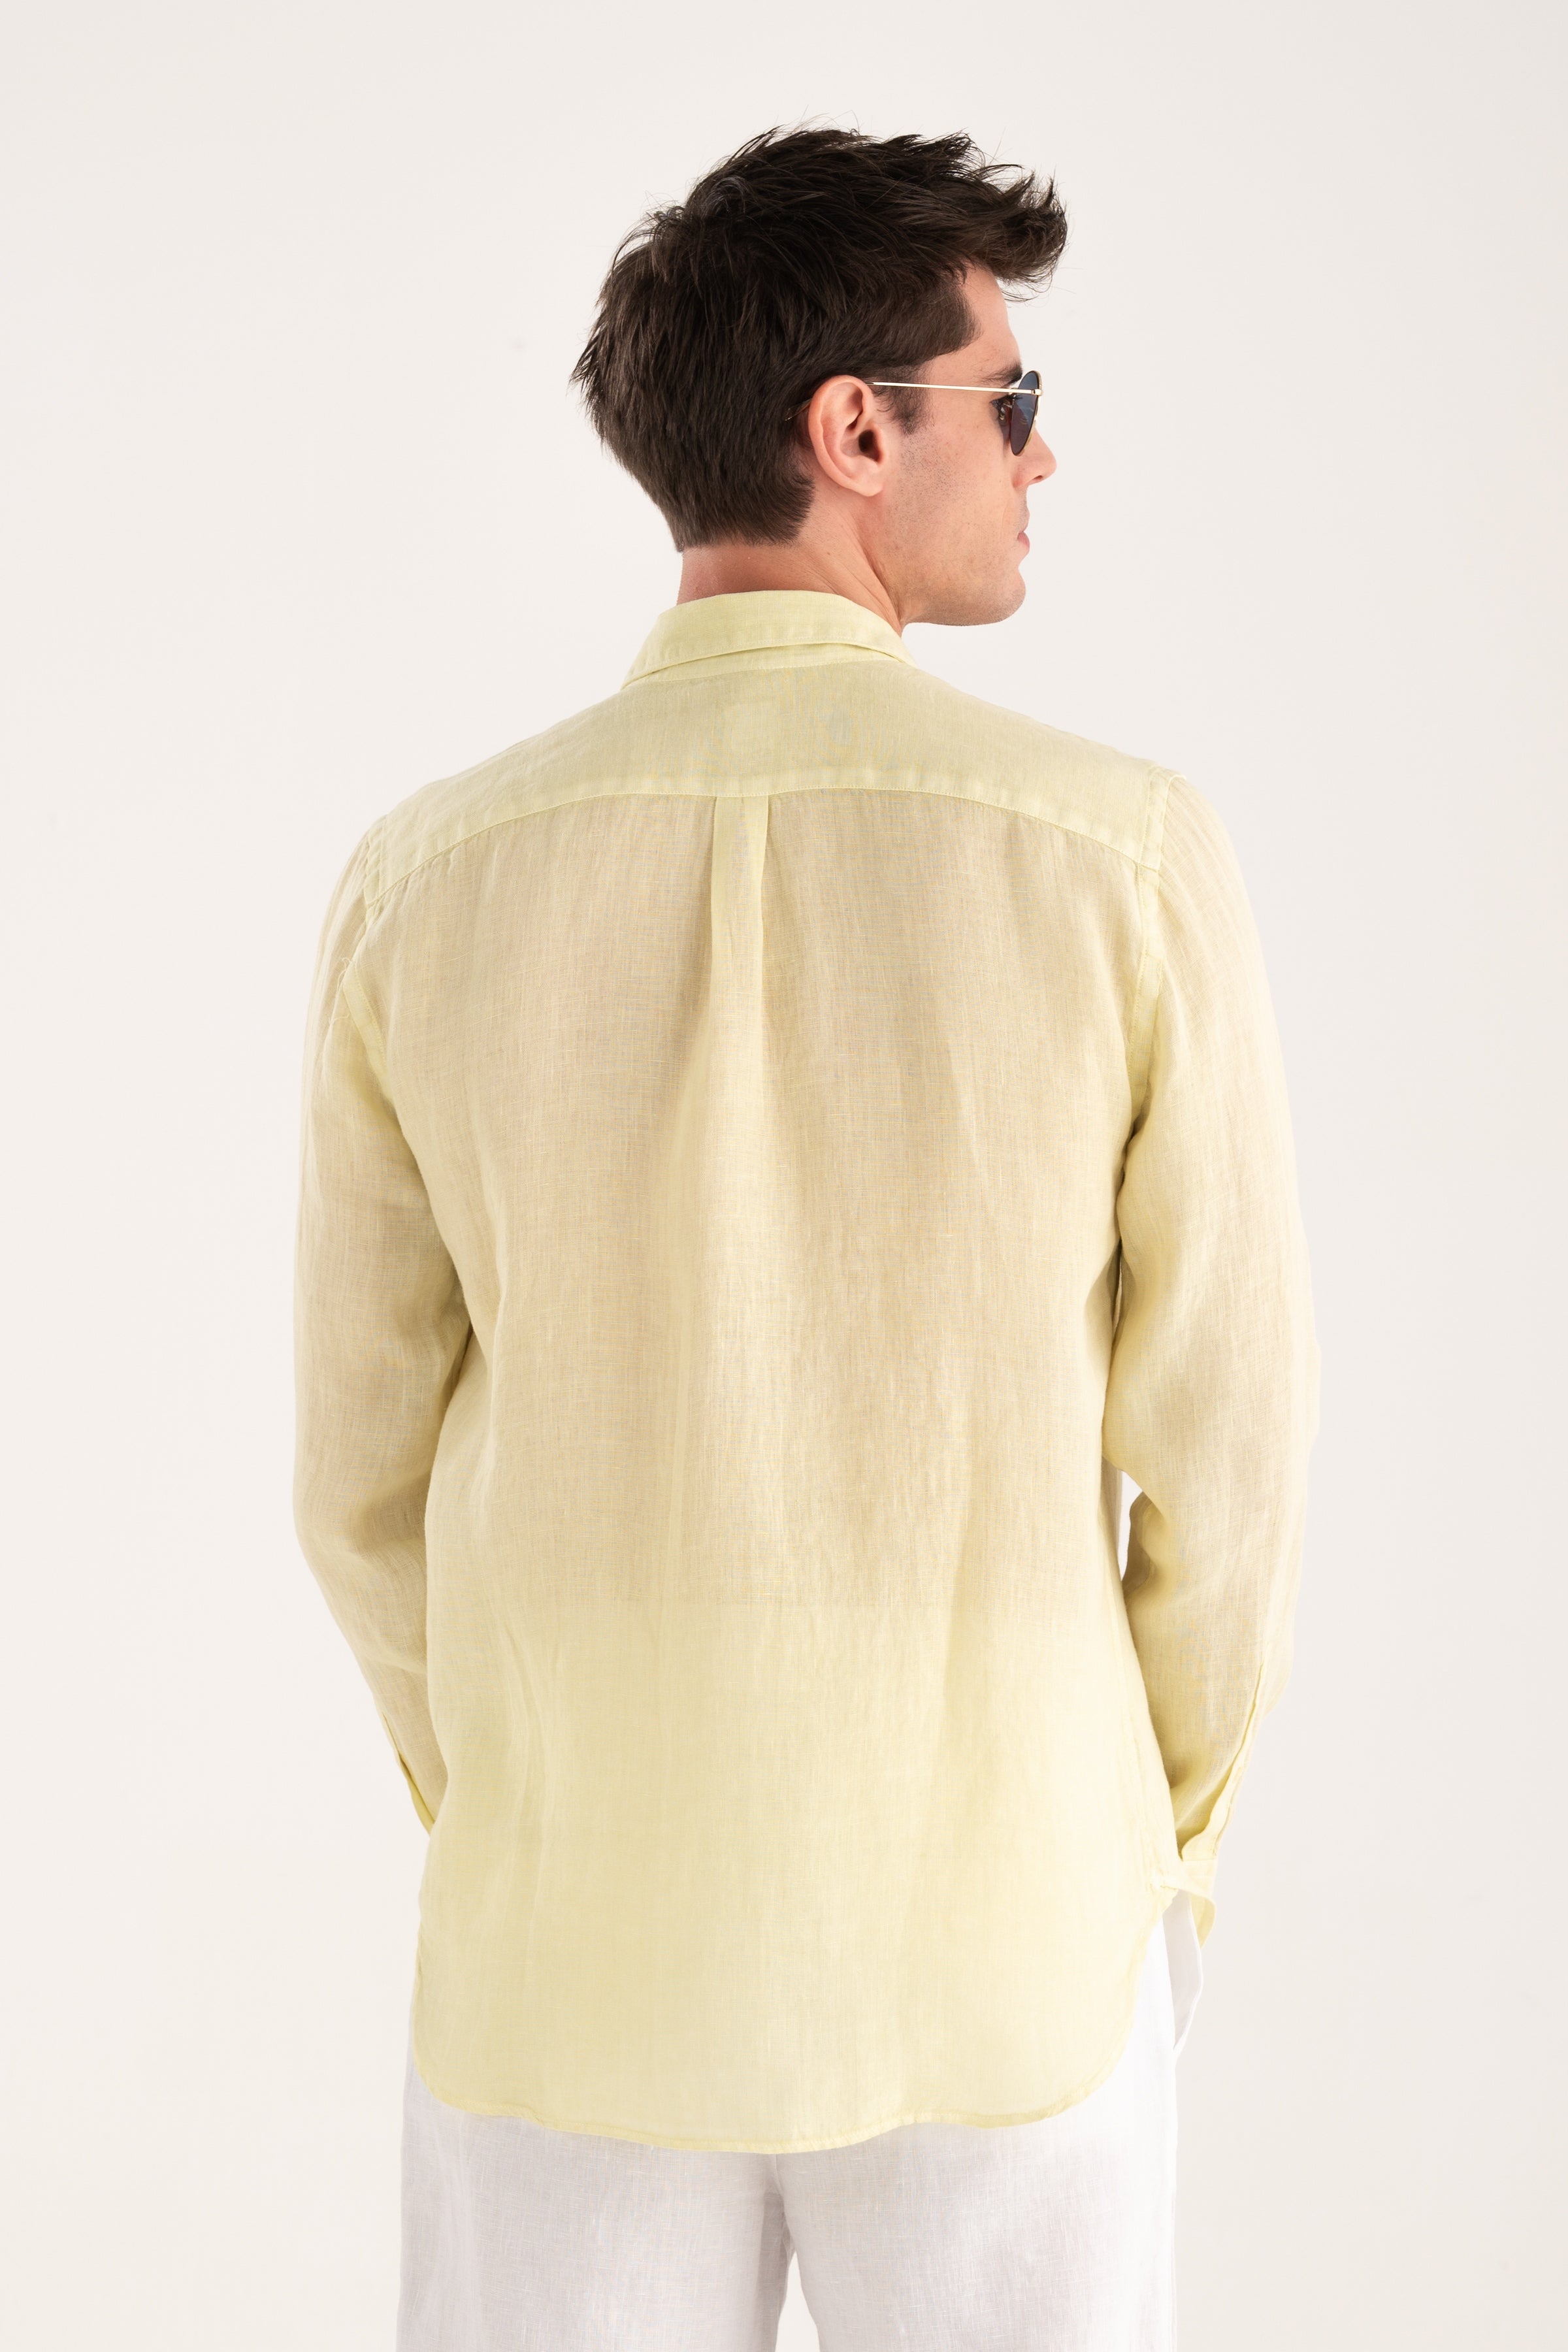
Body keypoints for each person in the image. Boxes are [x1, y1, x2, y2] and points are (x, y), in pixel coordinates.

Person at [294, 125, 1318, 2351]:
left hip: (566, 1957)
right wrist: (1147, 1853)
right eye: (1010, 400)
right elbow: (1227, 1462)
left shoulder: (424, 882)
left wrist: (531, 1799)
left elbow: (358, 1483)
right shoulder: (1120, 859)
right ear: (857, 429)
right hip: (1010, 1945)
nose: (1042, 457)